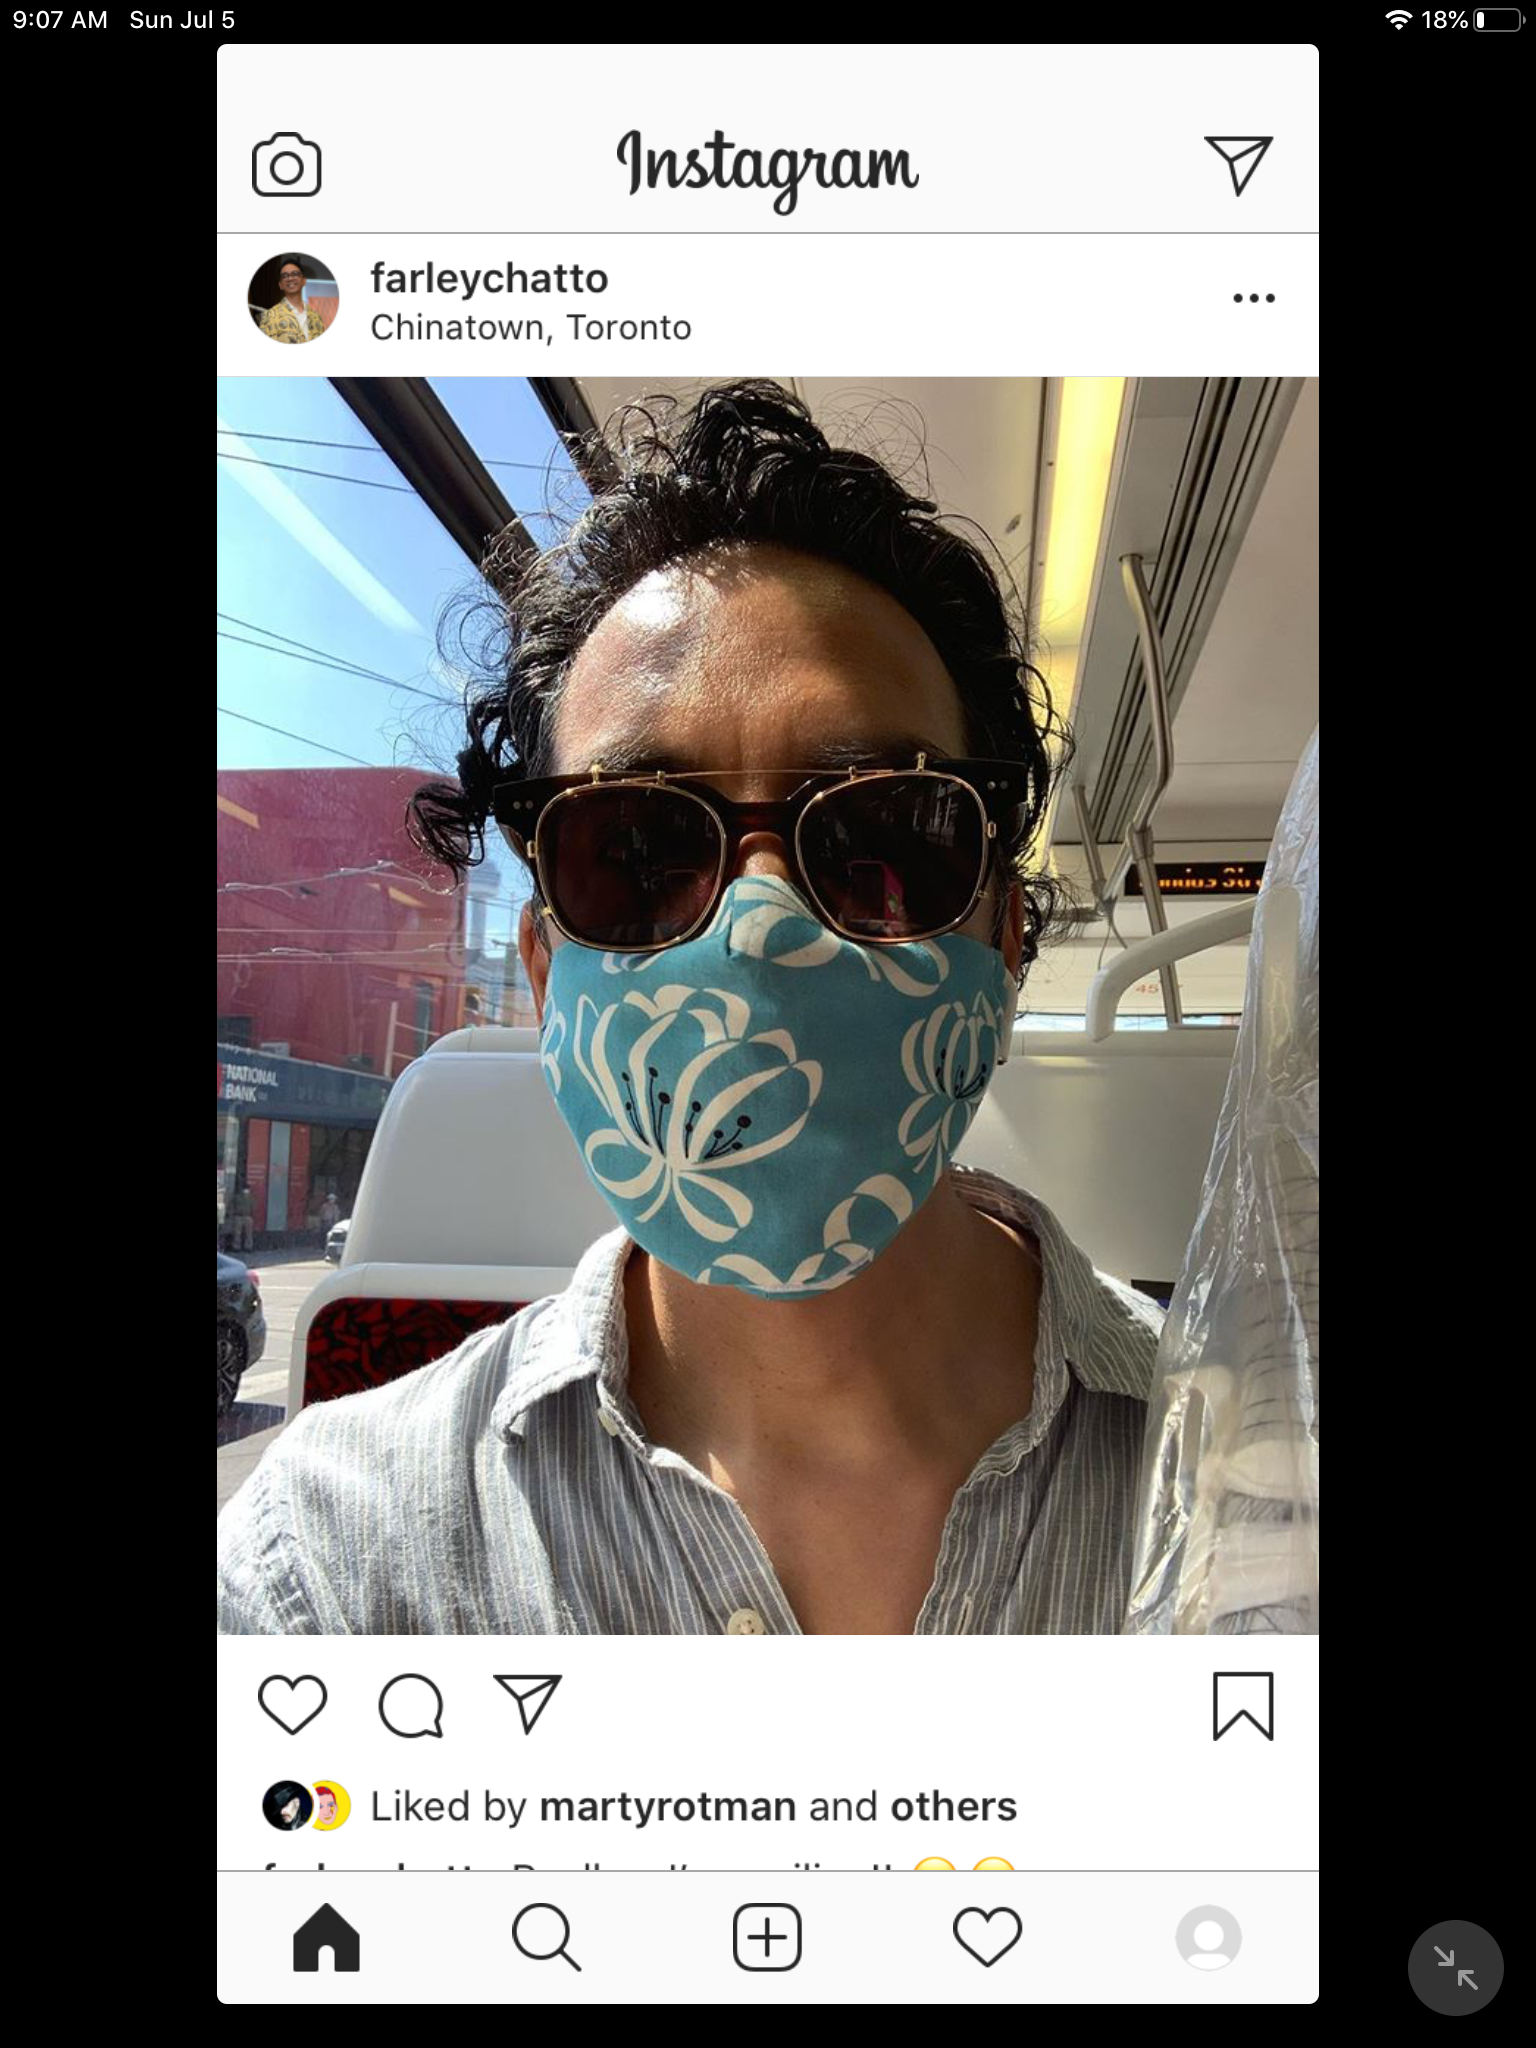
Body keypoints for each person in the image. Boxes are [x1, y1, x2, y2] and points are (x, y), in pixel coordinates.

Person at [216, 379, 1167, 1637]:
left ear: (1004, 936)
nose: (760, 928)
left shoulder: (1259, 1468)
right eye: (638, 850)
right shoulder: (327, 1562)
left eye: (883, 836)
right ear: (545, 973)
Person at [259, 258, 325, 344]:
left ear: (304, 281)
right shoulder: (269, 316)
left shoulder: (317, 318)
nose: (290, 278)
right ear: (280, 285)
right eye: (284, 276)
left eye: (295, 274)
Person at [230, 1183, 255, 1254]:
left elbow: (254, 1207)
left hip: (242, 1217)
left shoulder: (238, 1196)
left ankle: (240, 1247)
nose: (246, 1190)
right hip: (244, 1216)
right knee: (241, 1233)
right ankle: (243, 1247)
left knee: (242, 1233)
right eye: (246, 1189)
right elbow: (253, 1207)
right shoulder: (250, 1197)